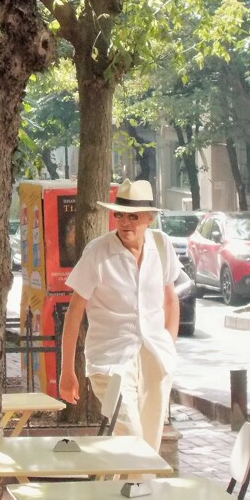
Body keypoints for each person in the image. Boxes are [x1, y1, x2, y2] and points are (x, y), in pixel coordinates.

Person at [58, 179, 180, 452]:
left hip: (155, 358)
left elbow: (171, 299)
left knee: (149, 444)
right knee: (131, 435)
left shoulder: (162, 245)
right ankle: (141, 490)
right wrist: (67, 371)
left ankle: (134, 492)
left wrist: (170, 346)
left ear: (149, 218)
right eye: (119, 215)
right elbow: (74, 311)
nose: (125, 222)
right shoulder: (98, 252)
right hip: (110, 360)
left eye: (133, 216)